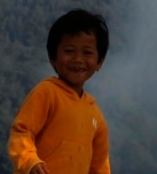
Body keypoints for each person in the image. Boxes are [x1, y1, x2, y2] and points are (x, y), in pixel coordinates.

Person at [8, 9, 112, 174]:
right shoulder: (47, 93)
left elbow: (99, 166)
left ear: (99, 62)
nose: (78, 59)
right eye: (69, 51)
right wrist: (30, 161)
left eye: (87, 52)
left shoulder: (95, 116)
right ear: (52, 57)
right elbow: (21, 132)